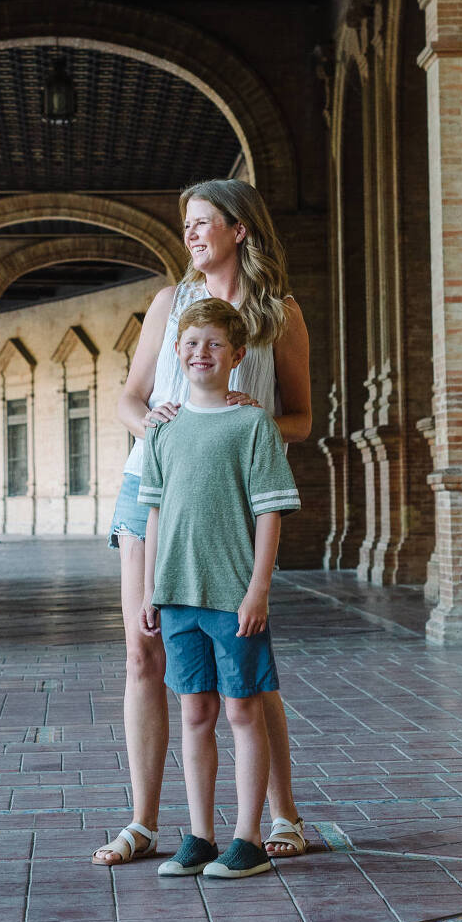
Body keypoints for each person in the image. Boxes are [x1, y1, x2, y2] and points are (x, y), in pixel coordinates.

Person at [94, 178, 312, 867]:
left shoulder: (281, 314)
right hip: (152, 488)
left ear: (240, 228)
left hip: (234, 495)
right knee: (142, 651)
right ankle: (144, 822)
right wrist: (156, 424)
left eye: (203, 222)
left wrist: (242, 422)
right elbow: (129, 398)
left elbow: (302, 419)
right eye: (185, 224)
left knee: (249, 664)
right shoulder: (171, 304)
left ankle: (282, 815)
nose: (190, 234)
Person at [139, 298, 300, 879]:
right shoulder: (164, 429)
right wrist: (151, 591)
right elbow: (153, 513)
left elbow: (269, 515)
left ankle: (248, 839)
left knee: (241, 711)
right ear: (177, 353)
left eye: (213, 344)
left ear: (237, 355)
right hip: (178, 594)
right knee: (195, 713)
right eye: (190, 343)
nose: (201, 353)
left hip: (234, 596)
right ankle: (201, 836)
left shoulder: (252, 424)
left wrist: (258, 589)